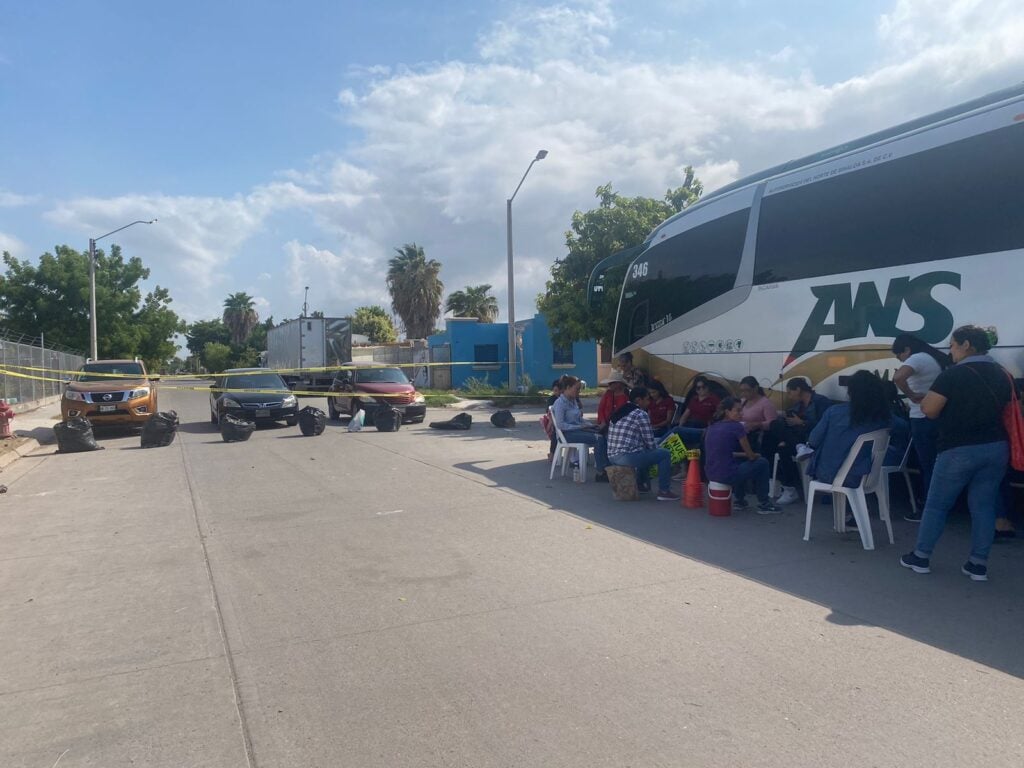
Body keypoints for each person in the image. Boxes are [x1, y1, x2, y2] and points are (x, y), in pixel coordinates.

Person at [900, 325, 1011, 582]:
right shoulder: (1002, 373)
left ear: (967, 345)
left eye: (952, 345)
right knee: (983, 507)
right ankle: (978, 564)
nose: (950, 351)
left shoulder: (954, 375)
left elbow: (929, 409)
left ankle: (921, 557)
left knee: (937, 505)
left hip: (958, 449)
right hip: (996, 448)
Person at [891, 333, 951, 521]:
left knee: (927, 465)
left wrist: (910, 394)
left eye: (898, 354)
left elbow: (898, 377)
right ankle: (940, 506)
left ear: (907, 349)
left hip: (921, 418)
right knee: (936, 464)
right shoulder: (933, 359)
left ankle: (928, 509)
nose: (899, 359)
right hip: (936, 417)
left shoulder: (917, 358)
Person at [806, 370, 891, 489]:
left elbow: (813, 440)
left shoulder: (834, 412)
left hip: (832, 475)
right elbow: (902, 429)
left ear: (851, 391)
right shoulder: (884, 415)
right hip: (868, 475)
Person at [704, 397, 782, 513]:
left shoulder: (713, 426)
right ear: (727, 412)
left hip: (710, 473)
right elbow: (750, 456)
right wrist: (756, 455)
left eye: (742, 410)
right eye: (738, 411)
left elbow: (725, 453)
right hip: (727, 474)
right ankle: (764, 503)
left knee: (738, 464)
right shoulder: (737, 427)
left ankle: (740, 501)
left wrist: (744, 455)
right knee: (762, 463)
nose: (741, 414)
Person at [763, 377, 833, 505]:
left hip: (815, 440)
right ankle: (789, 487)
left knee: (783, 447)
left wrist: (802, 423)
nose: (789, 396)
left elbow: (825, 426)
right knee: (775, 427)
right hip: (799, 438)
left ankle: (789, 485)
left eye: (790, 392)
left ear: (798, 389)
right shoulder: (797, 406)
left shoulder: (821, 402)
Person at [606, 386, 680, 501]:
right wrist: (659, 448)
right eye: (647, 399)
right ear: (638, 400)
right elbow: (650, 442)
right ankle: (664, 491)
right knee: (664, 454)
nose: (649, 402)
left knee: (642, 451)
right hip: (625, 456)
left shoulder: (620, 411)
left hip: (611, 456)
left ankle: (642, 485)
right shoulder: (640, 414)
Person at [551, 375, 609, 478]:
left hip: (577, 430)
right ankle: (601, 471)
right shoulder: (560, 403)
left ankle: (607, 467)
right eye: (577, 389)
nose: (579, 392)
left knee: (603, 433)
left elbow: (579, 420)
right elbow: (561, 425)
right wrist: (580, 427)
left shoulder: (573, 401)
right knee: (598, 438)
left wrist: (591, 425)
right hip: (567, 434)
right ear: (568, 388)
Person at [738, 376, 778, 448]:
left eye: (747, 390)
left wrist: (758, 424)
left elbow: (773, 423)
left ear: (755, 388)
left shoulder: (766, 403)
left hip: (756, 439)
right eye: (742, 391)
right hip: (742, 437)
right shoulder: (742, 401)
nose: (744, 393)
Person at [544, 378, 563, 460]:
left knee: (556, 433)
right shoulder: (552, 399)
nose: (556, 392)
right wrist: (549, 424)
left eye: (557, 390)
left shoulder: (567, 398)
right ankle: (552, 453)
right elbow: (550, 413)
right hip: (554, 422)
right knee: (555, 434)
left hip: (561, 422)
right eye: (554, 390)